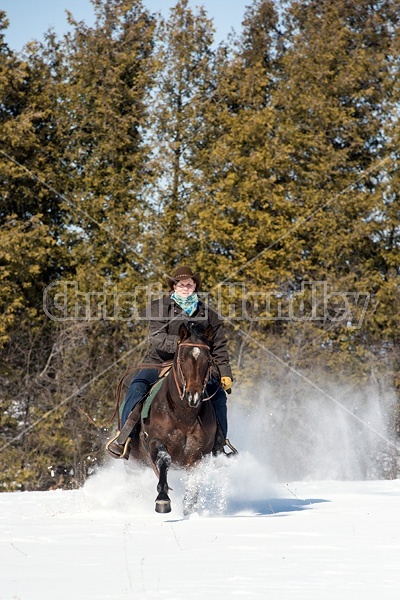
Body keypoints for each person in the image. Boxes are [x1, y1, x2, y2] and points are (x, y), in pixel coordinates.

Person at [107, 265, 234, 459]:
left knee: (219, 397)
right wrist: (182, 346)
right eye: (181, 284)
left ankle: (220, 443)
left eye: (189, 284)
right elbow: (156, 337)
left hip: (196, 367)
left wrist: (225, 372)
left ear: (195, 286)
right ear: (174, 286)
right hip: (159, 362)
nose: (185, 288)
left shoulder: (209, 313)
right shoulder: (160, 307)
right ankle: (124, 438)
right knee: (137, 388)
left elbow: (219, 345)